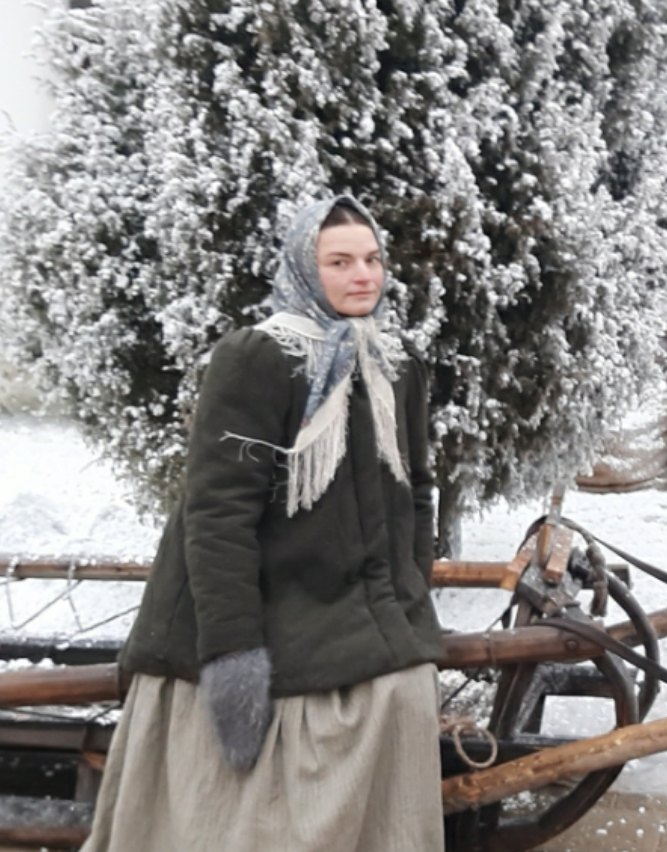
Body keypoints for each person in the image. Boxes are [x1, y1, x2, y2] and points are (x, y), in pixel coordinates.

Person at [82, 196, 445, 851]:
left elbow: (415, 491)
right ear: (305, 268)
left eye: (372, 258)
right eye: (339, 262)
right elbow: (218, 516)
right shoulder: (259, 358)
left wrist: (410, 592)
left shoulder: (398, 363)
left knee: (399, 701)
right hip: (262, 620)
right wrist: (233, 660)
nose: (364, 275)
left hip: (365, 618)